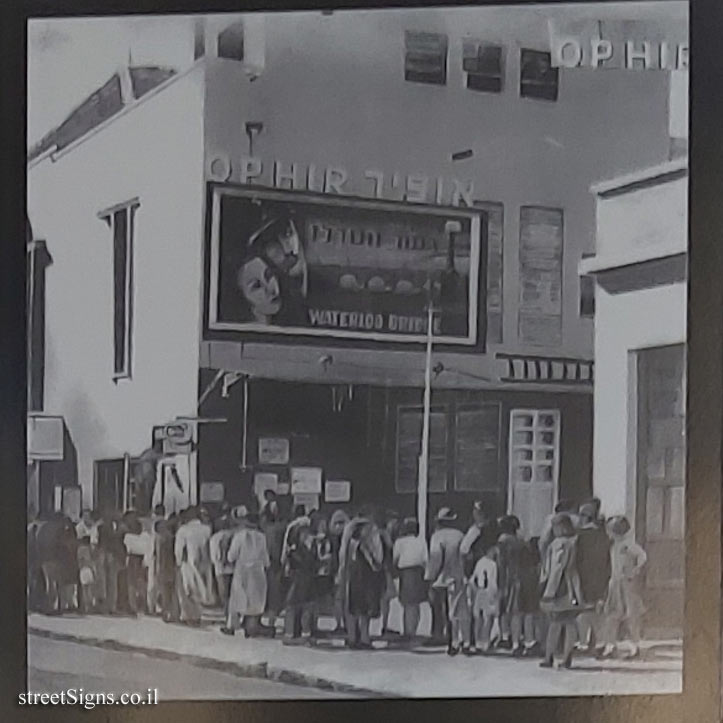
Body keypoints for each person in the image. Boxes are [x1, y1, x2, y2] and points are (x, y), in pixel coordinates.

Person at [539, 513, 584, 670]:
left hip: (561, 586)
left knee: (555, 622)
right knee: (570, 622)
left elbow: (557, 568)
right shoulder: (574, 542)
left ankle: (549, 655)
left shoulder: (559, 544)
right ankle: (567, 655)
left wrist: (549, 591)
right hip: (573, 585)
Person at [599, 516, 647, 660]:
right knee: (612, 615)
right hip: (615, 583)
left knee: (630, 615)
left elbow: (642, 557)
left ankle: (634, 647)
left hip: (626, 584)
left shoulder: (628, 545)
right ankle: (610, 646)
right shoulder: (614, 546)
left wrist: (634, 570)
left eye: (611, 530)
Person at [425, 507, 471, 656]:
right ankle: (465, 641)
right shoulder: (460, 535)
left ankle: (452, 641)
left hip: (441, 577)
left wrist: (430, 575)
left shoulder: (437, 537)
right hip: (458, 576)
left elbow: (435, 556)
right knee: (460, 610)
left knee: (444, 611)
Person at [224, 511, 273, 638]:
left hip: (242, 570)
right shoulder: (262, 537)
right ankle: (251, 626)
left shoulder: (240, 536)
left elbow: (231, 556)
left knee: (237, 598)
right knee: (255, 600)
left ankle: (232, 626)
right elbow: (266, 559)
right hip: (257, 571)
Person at [575, 502, 612, 653]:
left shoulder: (580, 536)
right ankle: (598, 642)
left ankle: (584, 641)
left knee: (583, 610)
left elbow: (577, 558)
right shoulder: (603, 535)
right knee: (598, 610)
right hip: (600, 574)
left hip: (584, 574)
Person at [345, 515, 384, 650]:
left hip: (354, 577)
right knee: (364, 610)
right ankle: (364, 638)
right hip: (365, 578)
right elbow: (372, 562)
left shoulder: (350, 543)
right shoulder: (363, 544)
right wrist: (377, 567)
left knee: (354, 609)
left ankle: (352, 638)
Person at [495, 515, 530, 657]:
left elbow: (501, 563)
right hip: (521, 577)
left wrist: (500, 583)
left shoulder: (503, 541)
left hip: (508, 577)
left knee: (505, 610)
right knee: (517, 611)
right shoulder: (521, 541)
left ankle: (507, 637)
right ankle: (516, 641)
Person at [174, 507, 212, 626]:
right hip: (203, 562)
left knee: (186, 590)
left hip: (187, 562)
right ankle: (198, 615)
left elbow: (179, 550)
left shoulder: (183, 530)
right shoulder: (207, 529)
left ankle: (188, 616)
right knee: (200, 588)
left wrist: (178, 562)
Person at [392, 517, 428, 641]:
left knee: (407, 604)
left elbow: (395, 559)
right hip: (418, 572)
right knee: (415, 603)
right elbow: (425, 560)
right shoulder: (421, 541)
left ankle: (408, 630)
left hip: (405, 572)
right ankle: (413, 629)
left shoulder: (399, 542)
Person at [283, 522, 319, 645]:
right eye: (304, 534)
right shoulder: (294, 550)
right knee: (293, 606)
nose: (307, 536)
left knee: (307, 607)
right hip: (298, 580)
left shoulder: (311, 548)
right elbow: (299, 562)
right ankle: (290, 633)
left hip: (308, 580)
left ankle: (305, 632)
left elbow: (314, 564)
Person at [470, 544, 500, 654]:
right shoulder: (493, 564)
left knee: (478, 617)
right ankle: (485, 642)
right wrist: (495, 595)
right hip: (488, 591)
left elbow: (473, 579)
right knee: (488, 618)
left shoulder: (480, 562)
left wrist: (474, 591)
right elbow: (493, 581)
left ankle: (478, 642)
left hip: (479, 590)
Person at [209, 513, 236, 618]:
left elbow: (213, 556)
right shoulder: (234, 534)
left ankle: (227, 615)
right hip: (234, 568)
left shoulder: (215, 538)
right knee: (234, 594)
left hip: (220, 569)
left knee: (224, 595)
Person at [328, 509, 350, 632]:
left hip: (342, 571)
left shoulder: (334, 538)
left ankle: (342, 624)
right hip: (340, 571)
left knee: (339, 600)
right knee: (341, 599)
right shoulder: (345, 538)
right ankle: (342, 624)